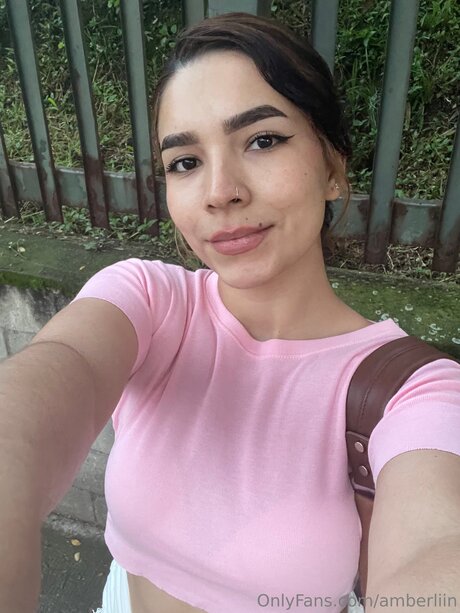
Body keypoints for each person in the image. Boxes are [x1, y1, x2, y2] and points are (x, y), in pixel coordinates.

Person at [1, 11, 460, 613]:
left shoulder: (415, 391)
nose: (220, 192)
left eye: (263, 140)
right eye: (185, 162)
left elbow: (435, 545)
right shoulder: (149, 301)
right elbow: (59, 370)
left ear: (332, 166)